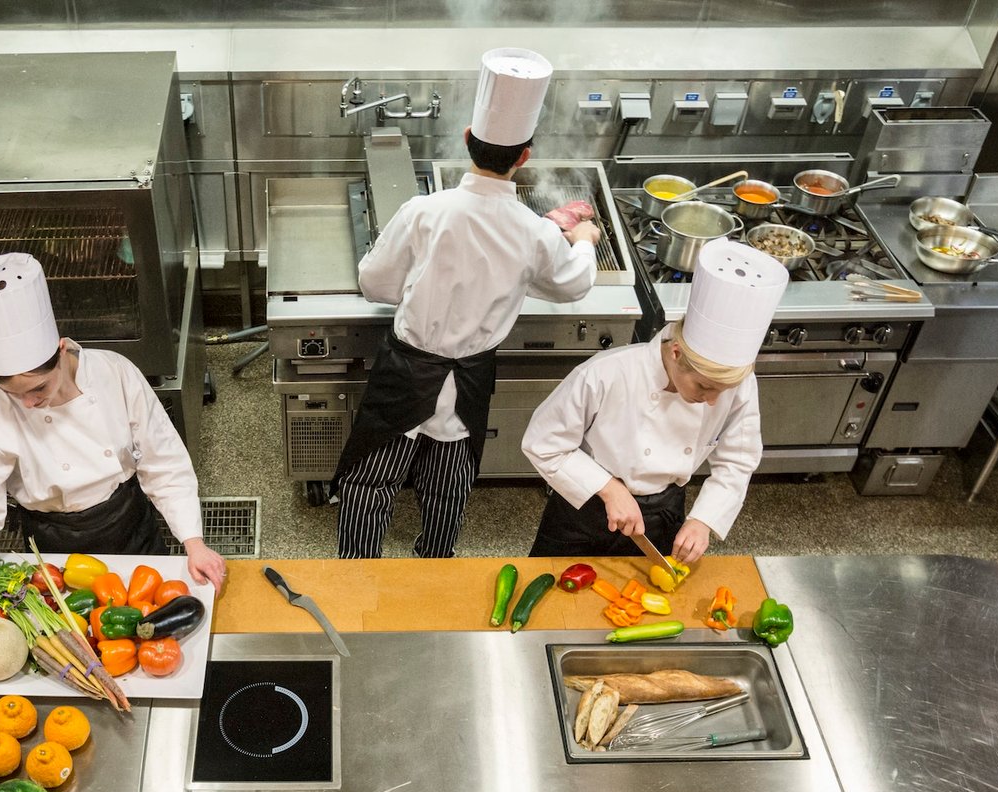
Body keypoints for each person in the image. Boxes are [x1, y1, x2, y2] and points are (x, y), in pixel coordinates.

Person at [332, 47, 601, 560]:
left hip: (407, 371)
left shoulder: (425, 210)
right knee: (448, 486)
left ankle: (357, 573)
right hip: (472, 376)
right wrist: (582, 238)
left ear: (465, 141)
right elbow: (571, 285)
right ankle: (434, 568)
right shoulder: (531, 232)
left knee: (370, 482)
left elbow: (373, 282)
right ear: (525, 156)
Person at [0, 253, 225, 674]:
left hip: (128, 522)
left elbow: (164, 462)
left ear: (61, 349)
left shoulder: (115, 374)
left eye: (38, 388)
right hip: (54, 541)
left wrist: (194, 543)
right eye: (13, 394)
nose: (29, 403)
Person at [522, 237, 788, 564]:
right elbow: (543, 442)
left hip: (663, 514)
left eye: (722, 391)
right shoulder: (606, 373)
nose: (711, 401)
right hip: (585, 507)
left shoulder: (738, 383)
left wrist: (703, 519)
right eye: (704, 387)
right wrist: (609, 487)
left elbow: (738, 459)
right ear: (676, 353)